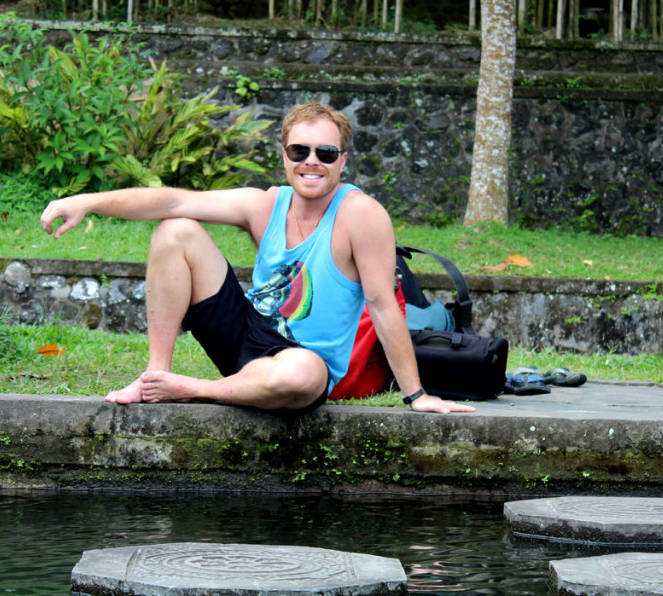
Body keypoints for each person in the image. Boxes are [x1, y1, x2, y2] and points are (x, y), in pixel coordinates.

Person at [40, 103, 474, 415]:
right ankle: (156, 378)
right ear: (283, 155)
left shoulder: (362, 214)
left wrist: (417, 396)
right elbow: (174, 201)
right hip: (249, 335)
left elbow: (382, 305)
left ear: (342, 160)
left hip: (305, 363)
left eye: (325, 153)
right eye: (299, 151)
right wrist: (88, 200)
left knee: (301, 375)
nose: (311, 163)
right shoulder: (264, 205)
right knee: (176, 230)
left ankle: (191, 389)